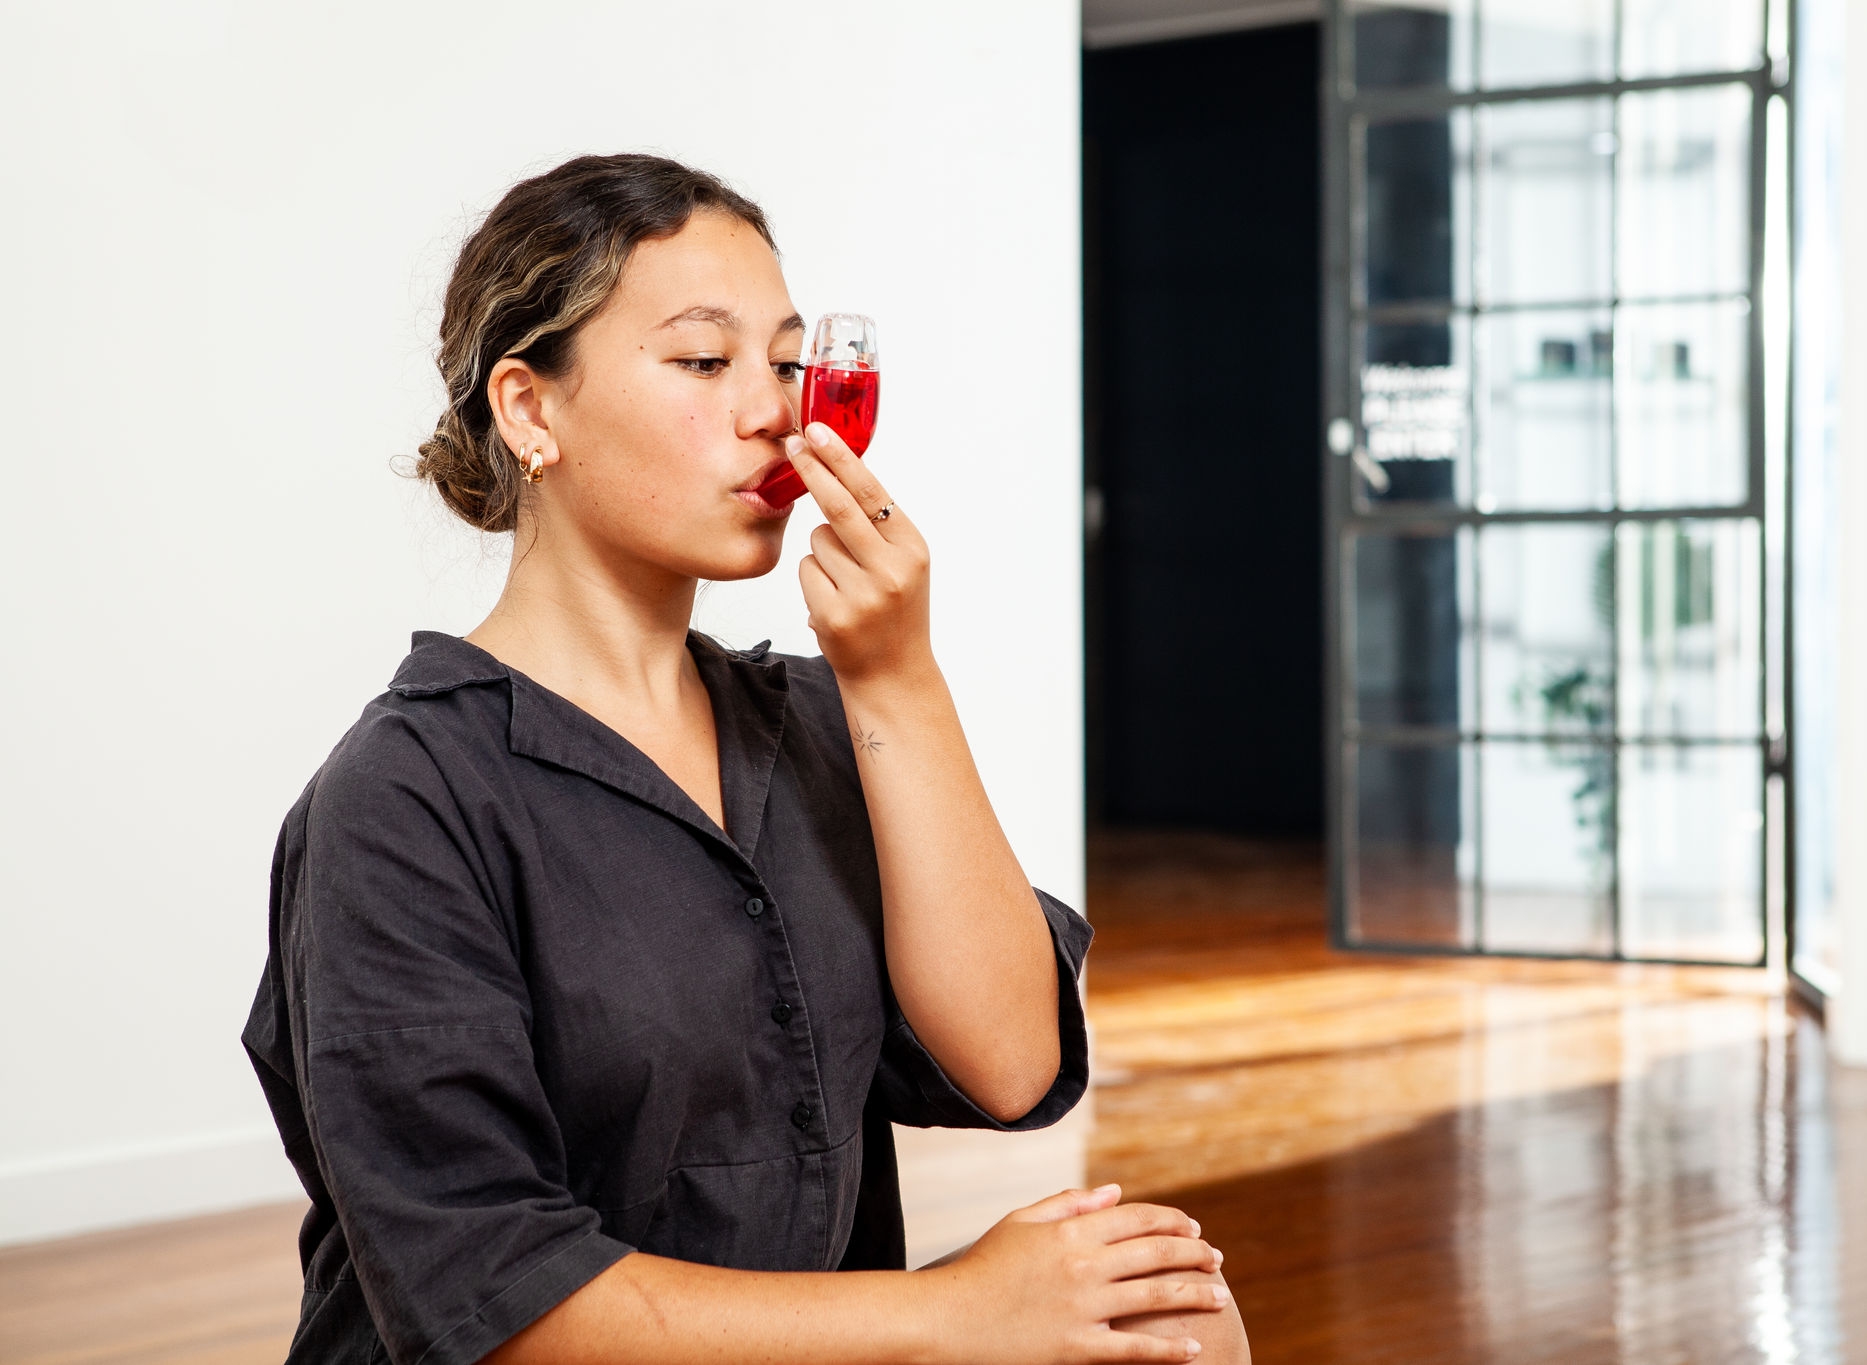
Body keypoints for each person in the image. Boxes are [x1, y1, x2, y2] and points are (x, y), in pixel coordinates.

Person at [242, 153, 1250, 1365]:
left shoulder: (819, 720)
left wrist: (896, 678)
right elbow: (488, 1302)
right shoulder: (401, 801)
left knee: (1172, 1311)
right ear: (529, 410)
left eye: (782, 362)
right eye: (703, 361)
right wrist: (956, 1313)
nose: (776, 411)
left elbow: (1011, 1063)